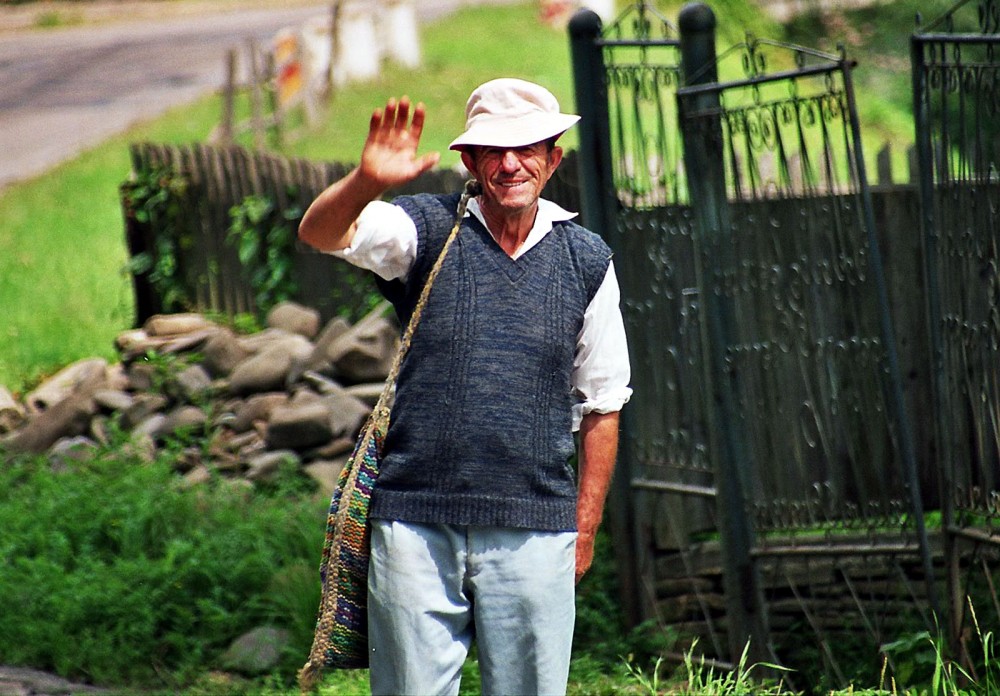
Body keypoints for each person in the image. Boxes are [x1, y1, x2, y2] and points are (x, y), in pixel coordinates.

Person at [298, 77, 631, 696]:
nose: (512, 164)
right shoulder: (422, 231)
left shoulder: (587, 260)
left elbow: (603, 405)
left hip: (535, 526)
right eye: (494, 150)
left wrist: (581, 530)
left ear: (553, 158)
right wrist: (369, 182)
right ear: (470, 161)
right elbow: (320, 234)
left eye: (529, 147)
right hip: (415, 525)